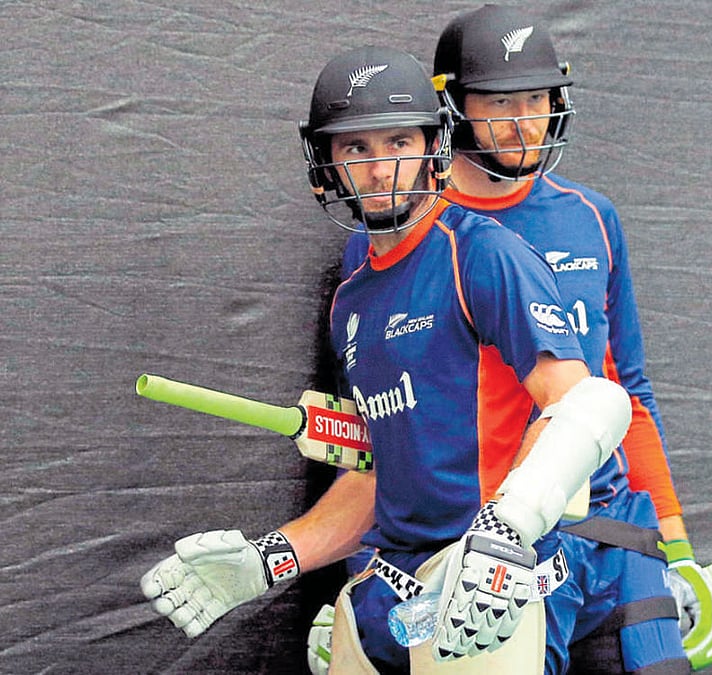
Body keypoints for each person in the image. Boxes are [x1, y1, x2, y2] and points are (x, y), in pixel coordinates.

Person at [140, 45, 635, 674]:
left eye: (398, 141)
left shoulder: (482, 255)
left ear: (435, 145)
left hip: (480, 595)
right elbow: (382, 476)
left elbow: (585, 406)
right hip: (389, 599)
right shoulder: (353, 297)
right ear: (327, 165)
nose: (380, 170)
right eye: (356, 149)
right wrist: (275, 555)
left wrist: (504, 537)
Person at [337, 5, 712, 673]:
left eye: (537, 98)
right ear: (453, 108)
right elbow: (376, 432)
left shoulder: (591, 218)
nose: (524, 120)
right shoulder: (389, 239)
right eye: (499, 102)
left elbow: (625, 390)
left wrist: (680, 549)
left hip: (607, 537)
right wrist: (360, 584)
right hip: (481, 556)